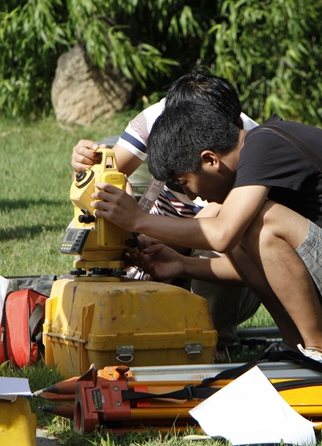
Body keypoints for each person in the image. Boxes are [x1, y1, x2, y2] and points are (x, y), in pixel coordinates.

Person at [90, 95, 322, 360]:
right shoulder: (257, 151)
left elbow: (222, 235)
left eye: (185, 182)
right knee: (233, 221)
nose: (191, 194)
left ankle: (321, 352)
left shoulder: (265, 146)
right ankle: (297, 346)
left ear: (210, 159)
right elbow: (268, 267)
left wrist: (138, 220)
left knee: (256, 220)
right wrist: (182, 264)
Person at [70, 72, 261, 349]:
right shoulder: (158, 117)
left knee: (215, 247)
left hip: (215, 260)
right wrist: (87, 165)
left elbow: (212, 231)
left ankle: (212, 338)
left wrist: (138, 232)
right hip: (159, 242)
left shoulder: (248, 148)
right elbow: (103, 180)